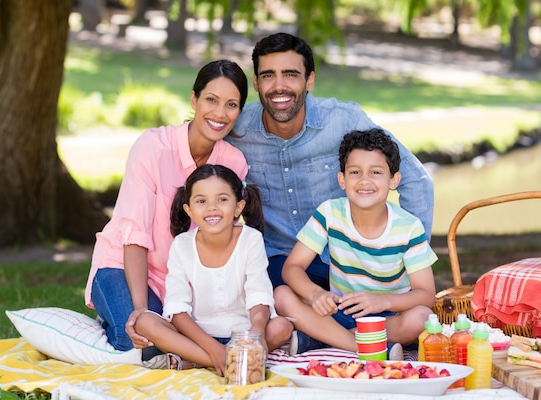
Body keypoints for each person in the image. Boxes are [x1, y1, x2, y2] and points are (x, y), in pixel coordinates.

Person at [225, 32, 434, 290]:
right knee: (283, 304)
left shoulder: (344, 121)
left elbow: (415, 179)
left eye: (290, 74)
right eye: (268, 75)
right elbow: (197, 157)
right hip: (280, 259)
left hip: (347, 258)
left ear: (309, 80)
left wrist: (411, 261)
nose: (279, 86)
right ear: (256, 83)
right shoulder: (236, 130)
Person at [84, 60, 251, 355]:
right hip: (122, 265)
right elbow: (134, 234)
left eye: (231, 105)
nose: (220, 114)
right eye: (211, 100)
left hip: (180, 281)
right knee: (139, 343)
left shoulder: (233, 162)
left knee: (180, 340)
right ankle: (216, 357)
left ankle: (203, 352)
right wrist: (141, 311)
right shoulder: (153, 147)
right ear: (194, 99)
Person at [274, 128, 437, 357]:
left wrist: (381, 302)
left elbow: (426, 294)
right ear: (342, 179)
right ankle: (362, 347)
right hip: (340, 311)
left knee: (422, 318)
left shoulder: (408, 227)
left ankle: (323, 339)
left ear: (393, 180)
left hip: (388, 317)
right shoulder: (330, 213)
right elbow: (292, 268)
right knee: (281, 295)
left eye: (376, 172)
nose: (364, 181)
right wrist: (315, 295)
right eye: (355, 172)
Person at [134, 164, 293, 374]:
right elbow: (177, 308)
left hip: (243, 335)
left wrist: (257, 332)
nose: (212, 208)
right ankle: (224, 360)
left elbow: (259, 295)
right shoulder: (182, 245)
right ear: (189, 210)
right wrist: (214, 348)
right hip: (198, 336)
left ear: (239, 207)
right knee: (144, 321)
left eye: (222, 199)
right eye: (201, 201)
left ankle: (200, 360)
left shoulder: (251, 239)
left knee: (282, 327)